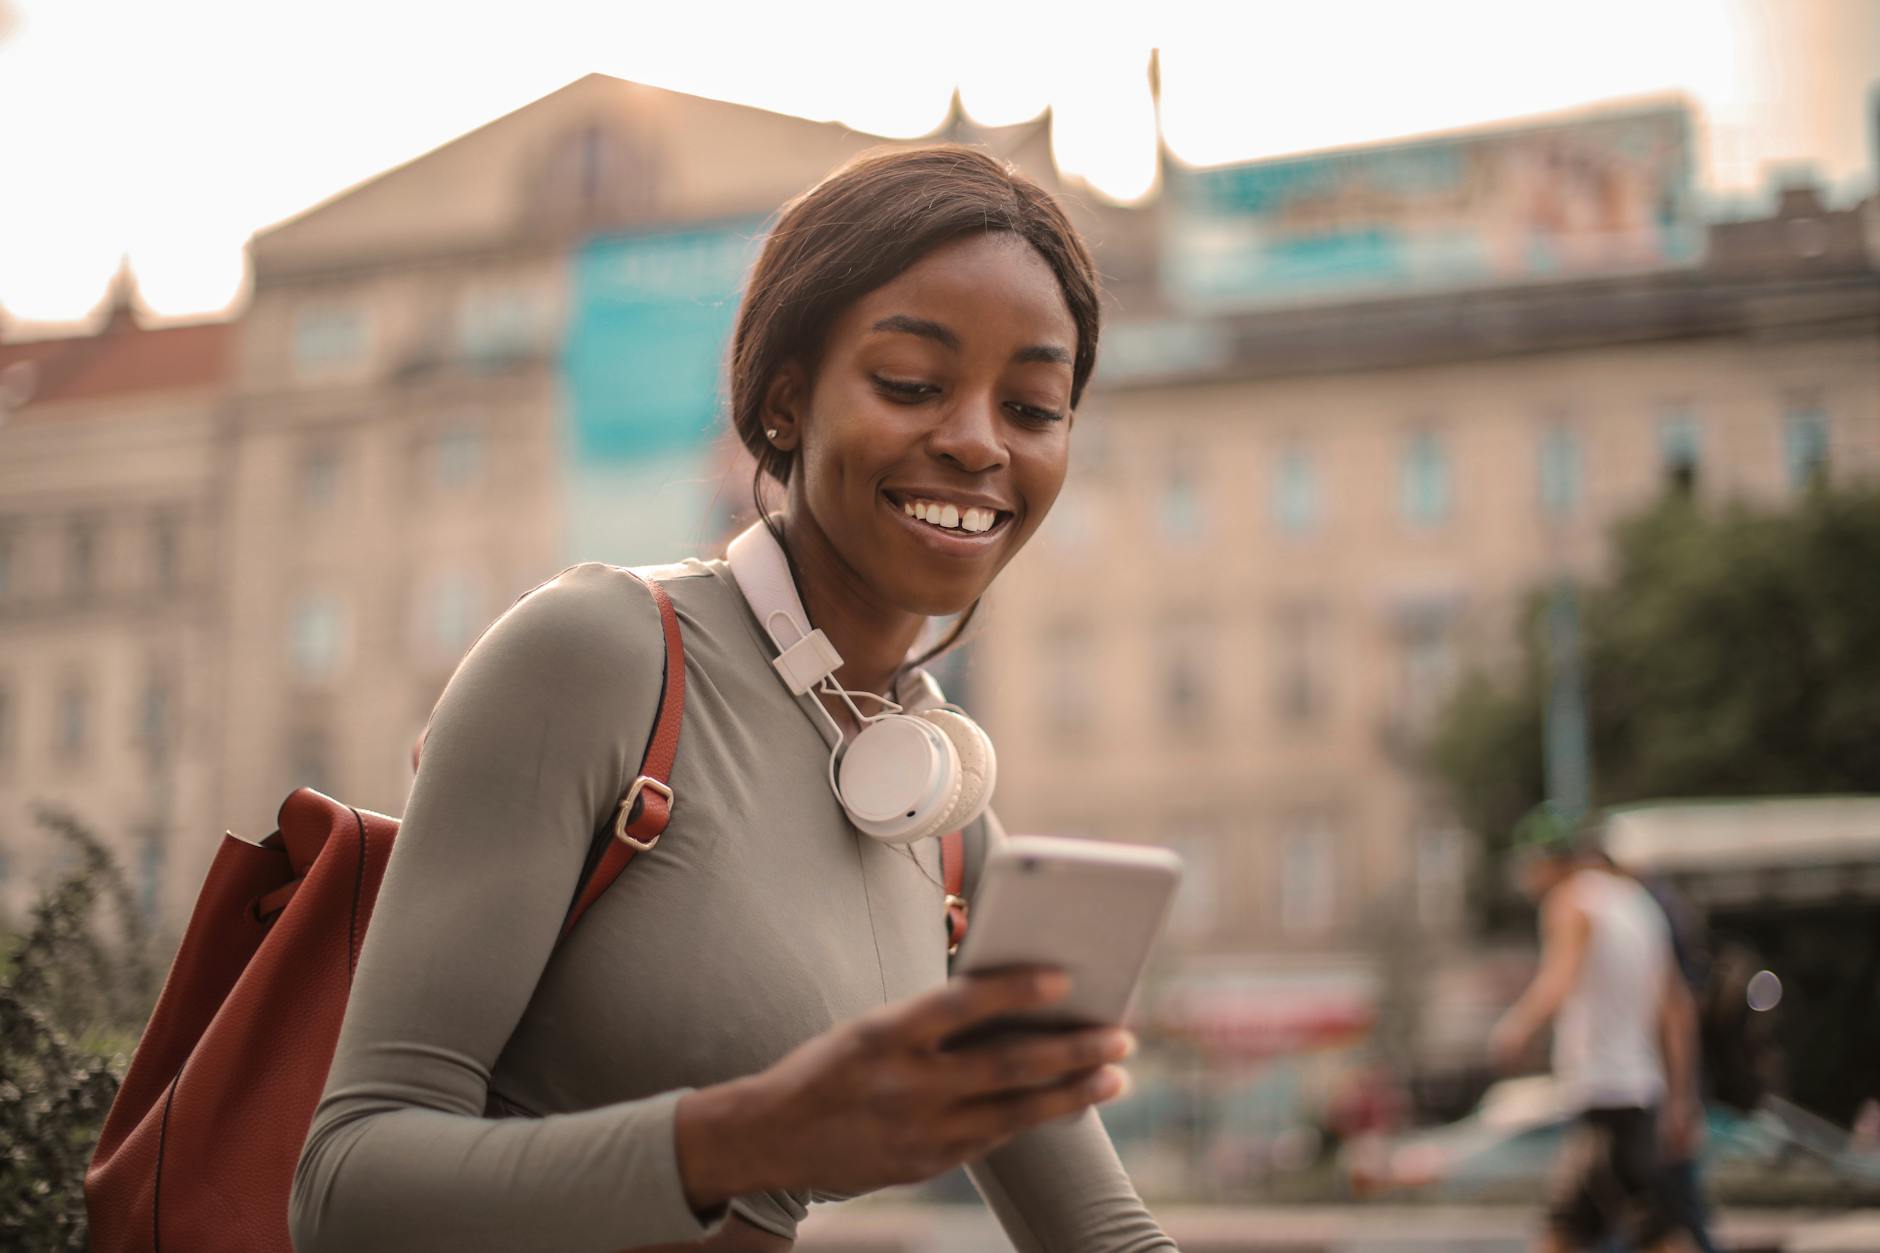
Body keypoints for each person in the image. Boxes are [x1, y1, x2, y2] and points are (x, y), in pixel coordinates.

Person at [287, 145, 1178, 1253]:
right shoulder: (598, 655)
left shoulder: (949, 836)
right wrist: (746, 1137)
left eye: (1034, 405)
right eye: (910, 384)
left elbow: (1107, 1235)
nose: (976, 441)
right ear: (782, 402)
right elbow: (343, 1184)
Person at [1489, 804, 1698, 1253]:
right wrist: (1681, 1099)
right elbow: (1677, 1009)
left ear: (1548, 860)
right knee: (1578, 1229)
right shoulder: (1639, 904)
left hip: (1604, 1090)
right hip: (1640, 1091)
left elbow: (1559, 978)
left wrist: (1516, 1027)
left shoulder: (1570, 901)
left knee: (1641, 1231)